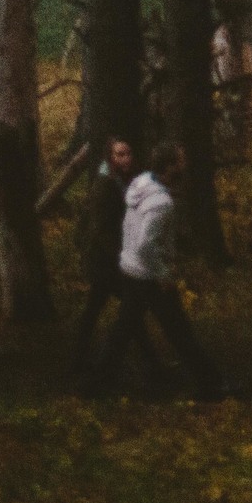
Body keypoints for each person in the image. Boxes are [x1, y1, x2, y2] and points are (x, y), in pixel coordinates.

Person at [85, 141, 226, 401]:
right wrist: (162, 273)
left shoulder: (140, 184)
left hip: (131, 269)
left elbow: (131, 229)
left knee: (124, 328)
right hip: (149, 274)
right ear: (170, 166)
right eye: (180, 160)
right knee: (178, 330)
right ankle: (210, 383)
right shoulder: (161, 203)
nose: (185, 164)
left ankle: (98, 382)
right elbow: (146, 243)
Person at [67, 138, 163, 382]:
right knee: (127, 309)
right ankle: (148, 363)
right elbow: (99, 230)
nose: (126, 158)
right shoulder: (105, 186)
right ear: (110, 159)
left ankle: (79, 359)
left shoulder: (123, 183)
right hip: (106, 262)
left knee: (103, 310)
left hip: (110, 260)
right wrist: (122, 256)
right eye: (120, 154)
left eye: (128, 153)